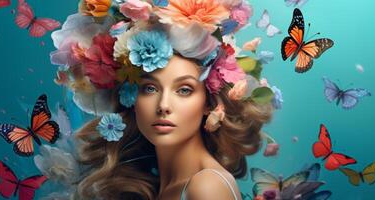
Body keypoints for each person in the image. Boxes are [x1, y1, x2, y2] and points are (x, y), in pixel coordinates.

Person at [49, 0, 274, 199]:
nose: (164, 106)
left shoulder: (206, 187)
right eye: (149, 88)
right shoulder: (167, 185)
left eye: (184, 90)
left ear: (208, 103)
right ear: (131, 98)